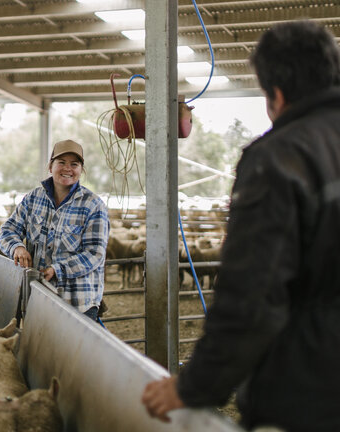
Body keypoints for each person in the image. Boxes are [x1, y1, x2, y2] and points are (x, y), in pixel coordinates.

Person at [141, 20, 340, 432]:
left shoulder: (282, 159)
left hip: (310, 395)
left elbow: (253, 298)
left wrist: (195, 387)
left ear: (276, 95)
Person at [0, 139, 109, 321]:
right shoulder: (34, 198)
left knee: (74, 350)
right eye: (61, 163)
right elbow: (8, 229)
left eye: (74, 164)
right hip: (38, 297)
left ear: (81, 170)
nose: (67, 169)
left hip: (78, 303)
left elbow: (95, 254)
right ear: (50, 166)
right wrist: (17, 247)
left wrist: (58, 270)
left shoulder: (93, 205)